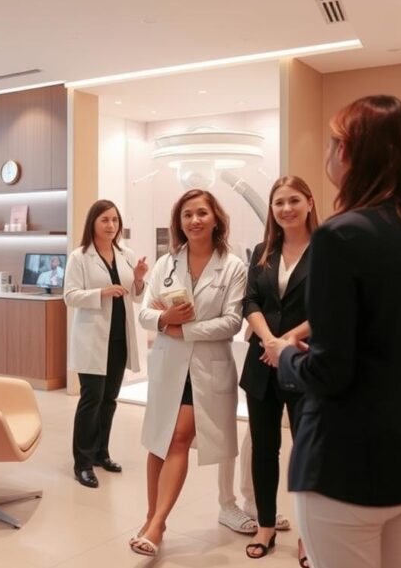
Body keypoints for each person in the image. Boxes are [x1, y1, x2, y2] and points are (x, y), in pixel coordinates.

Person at [265, 95, 401, 568]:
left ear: (352, 153)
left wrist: (287, 355)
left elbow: (332, 372)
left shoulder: (340, 235)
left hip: (347, 460)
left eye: (334, 144)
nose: (328, 155)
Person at [131, 189, 249, 556]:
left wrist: (185, 330)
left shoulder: (232, 266)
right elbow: (145, 313)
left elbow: (232, 322)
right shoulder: (167, 264)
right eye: (187, 215)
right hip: (169, 364)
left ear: (216, 218)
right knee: (158, 442)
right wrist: (165, 318)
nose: (194, 220)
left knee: (179, 436)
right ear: (179, 222)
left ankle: (157, 523)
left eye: (201, 213)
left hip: (206, 367)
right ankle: (153, 519)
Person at [240, 175, 319, 564]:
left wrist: (286, 342)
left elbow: (331, 307)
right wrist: (270, 341)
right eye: (278, 203)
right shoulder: (262, 250)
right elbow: (250, 300)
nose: (285, 209)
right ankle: (266, 525)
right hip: (261, 363)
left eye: (292, 201)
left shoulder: (328, 251)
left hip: (305, 362)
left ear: (309, 202)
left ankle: (308, 536)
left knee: (305, 453)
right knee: (263, 449)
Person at [64, 200, 148, 488]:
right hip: (91, 339)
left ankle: (101, 453)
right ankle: (82, 463)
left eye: (114, 220)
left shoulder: (126, 254)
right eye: (105, 220)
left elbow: (136, 297)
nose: (111, 225)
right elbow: (70, 296)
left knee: (110, 400)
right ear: (93, 224)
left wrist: (138, 280)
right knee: (92, 399)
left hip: (119, 339)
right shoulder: (80, 257)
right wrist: (101, 292)